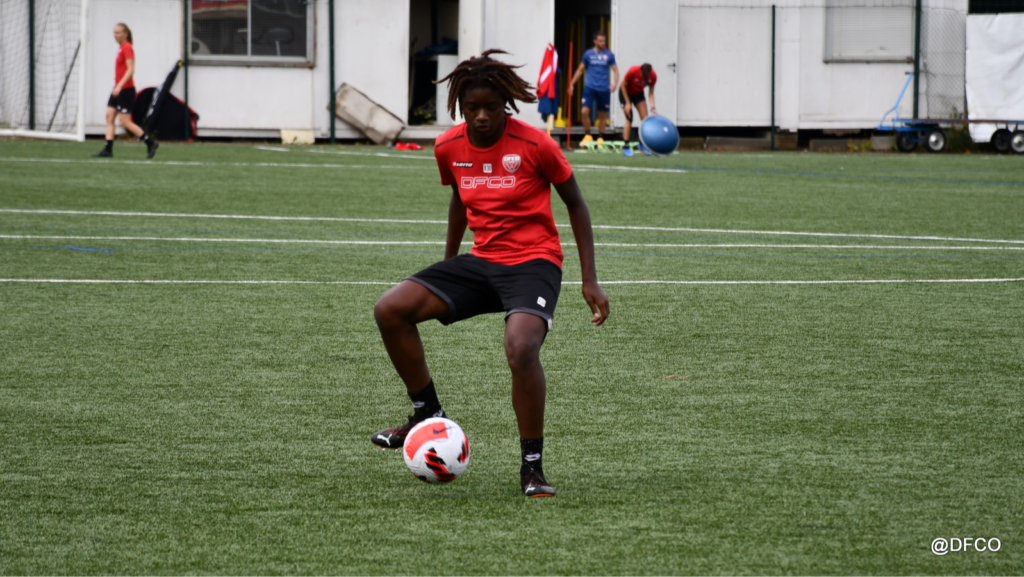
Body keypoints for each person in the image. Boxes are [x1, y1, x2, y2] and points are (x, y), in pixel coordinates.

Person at [371, 49, 610, 498]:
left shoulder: (536, 144)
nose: (481, 117)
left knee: (521, 349)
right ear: (461, 107)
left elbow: (576, 203)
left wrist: (589, 278)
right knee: (390, 310)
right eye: (472, 109)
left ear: (507, 106)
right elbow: (460, 198)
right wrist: (446, 262)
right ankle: (425, 413)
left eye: (491, 108)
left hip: (535, 263)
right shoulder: (448, 147)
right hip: (483, 261)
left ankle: (532, 468)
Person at [93, 23, 158, 159]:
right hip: (118, 88)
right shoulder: (121, 48)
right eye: (114, 32)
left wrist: (120, 86)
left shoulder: (127, 47)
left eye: (118, 33)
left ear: (125, 34)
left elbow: (131, 70)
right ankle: (108, 149)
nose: (115, 35)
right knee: (109, 116)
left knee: (124, 122)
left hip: (125, 90)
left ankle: (150, 142)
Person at [568, 32, 619, 147]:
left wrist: (615, 83)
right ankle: (588, 136)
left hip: (603, 88)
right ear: (595, 41)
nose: (603, 43)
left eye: (604, 41)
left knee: (602, 114)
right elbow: (580, 70)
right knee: (584, 112)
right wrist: (572, 83)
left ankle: (600, 138)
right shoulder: (588, 54)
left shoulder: (609, 54)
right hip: (590, 87)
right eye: (600, 41)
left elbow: (615, 70)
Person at [619, 63, 658, 157]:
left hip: (638, 94)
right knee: (629, 118)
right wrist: (628, 103)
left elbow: (651, 93)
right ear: (640, 71)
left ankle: (642, 145)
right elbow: (623, 86)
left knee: (645, 120)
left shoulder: (653, 76)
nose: (644, 78)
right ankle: (626, 147)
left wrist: (653, 107)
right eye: (643, 75)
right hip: (625, 93)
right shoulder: (633, 71)